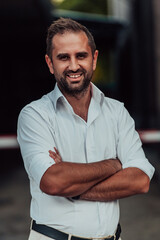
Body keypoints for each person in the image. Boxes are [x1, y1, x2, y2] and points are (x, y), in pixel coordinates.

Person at [17, 17, 155, 240]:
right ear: (50, 63)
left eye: (81, 55)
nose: (73, 66)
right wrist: (114, 164)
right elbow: (53, 181)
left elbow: (140, 180)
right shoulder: (35, 115)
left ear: (94, 59)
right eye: (63, 57)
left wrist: (73, 188)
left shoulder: (117, 112)